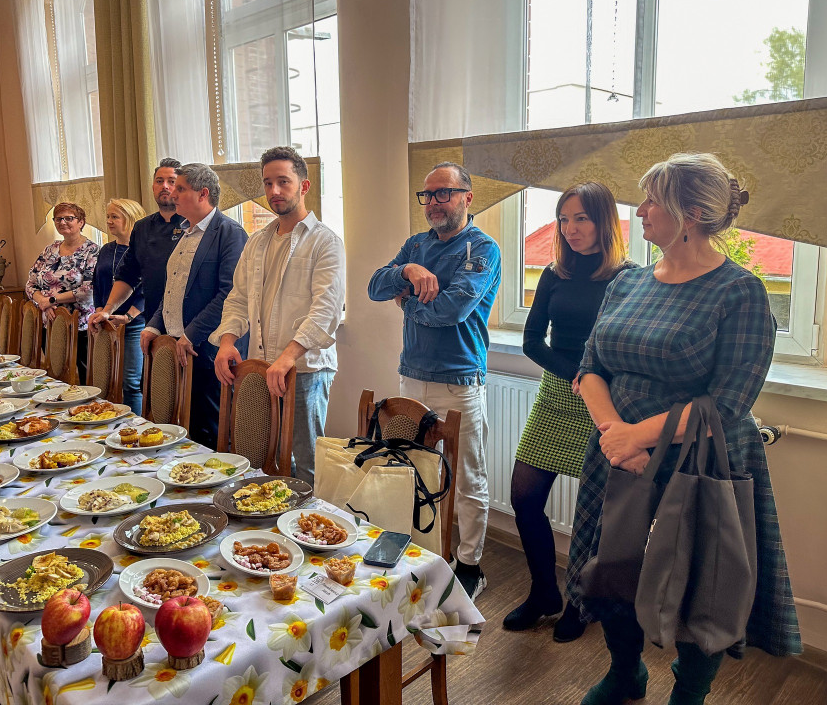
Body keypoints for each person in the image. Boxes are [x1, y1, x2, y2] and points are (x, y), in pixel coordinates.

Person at [566, 153, 800, 705]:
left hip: (701, 462)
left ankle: (690, 691)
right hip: (618, 454)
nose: (640, 211)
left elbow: (729, 403)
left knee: (703, 587)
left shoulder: (740, 292)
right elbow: (589, 368)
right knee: (613, 572)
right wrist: (617, 437)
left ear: (691, 213)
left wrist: (637, 437)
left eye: (652, 201)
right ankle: (626, 674)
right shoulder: (627, 282)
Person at [367, 161, 501, 600]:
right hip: (412, 378)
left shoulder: (483, 249)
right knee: (414, 472)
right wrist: (407, 272)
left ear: (467, 197)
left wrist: (406, 303)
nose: (434, 203)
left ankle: (470, 566)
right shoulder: (416, 245)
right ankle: (425, 554)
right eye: (428, 195)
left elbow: (452, 310)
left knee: (468, 480)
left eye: (444, 193)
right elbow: (374, 287)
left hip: (460, 381)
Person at [505, 182, 632, 637]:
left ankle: (580, 602)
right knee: (524, 497)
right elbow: (531, 341)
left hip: (605, 402)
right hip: (559, 393)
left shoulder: (628, 277)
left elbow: (631, 345)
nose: (570, 228)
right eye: (563, 219)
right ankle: (544, 591)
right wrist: (575, 373)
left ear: (604, 221)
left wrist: (595, 379)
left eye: (581, 218)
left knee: (592, 513)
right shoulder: (554, 273)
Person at [211, 146, 345, 484]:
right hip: (259, 366)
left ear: (304, 186)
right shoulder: (256, 242)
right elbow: (238, 298)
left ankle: (305, 518)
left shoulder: (326, 242)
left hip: (305, 370)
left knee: (306, 463)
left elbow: (326, 310)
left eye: (283, 181)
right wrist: (227, 342)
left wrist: (288, 356)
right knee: (260, 459)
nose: (274, 190)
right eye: (268, 183)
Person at [142, 163, 249, 447]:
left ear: (203, 194)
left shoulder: (229, 232)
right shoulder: (183, 232)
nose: (172, 194)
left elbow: (230, 294)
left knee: (212, 429)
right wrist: (154, 325)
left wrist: (192, 333)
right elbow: (173, 289)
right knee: (186, 427)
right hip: (180, 345)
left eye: (180, 188)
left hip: (208, 347)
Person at [89, 158, 185, 333]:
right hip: (154, 324)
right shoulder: (142, 227)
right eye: (159, 181)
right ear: (153, 187)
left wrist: (129, 315)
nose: (164, 186)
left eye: (171, 181)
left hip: (188, 324)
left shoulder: (193, 225)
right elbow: (128, 275)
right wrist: (107, 310)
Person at [25, 201, 99, 383]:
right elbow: (30, 284)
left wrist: (51, 300)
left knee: (85, 378)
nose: (63, 222)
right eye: (58, 219)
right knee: (56, 375)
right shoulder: (49, 250)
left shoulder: (92, 251)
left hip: (80, 324)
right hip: (49, 322)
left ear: (81, 222)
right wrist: (43, 303)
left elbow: (88, 290)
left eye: (69, 218)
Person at [92, 197, 148, 414]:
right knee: (105, 380)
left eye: (114, 217)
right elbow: (97, 283)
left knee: (131, 381)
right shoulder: (107, 249)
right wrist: (100, 310)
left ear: (130, 219)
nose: (109, 221)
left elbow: (148, 288)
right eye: (108, 216)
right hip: (106, 323)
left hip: (134, 323)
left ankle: (135, 425)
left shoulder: (145, 250)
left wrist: (129, 316)